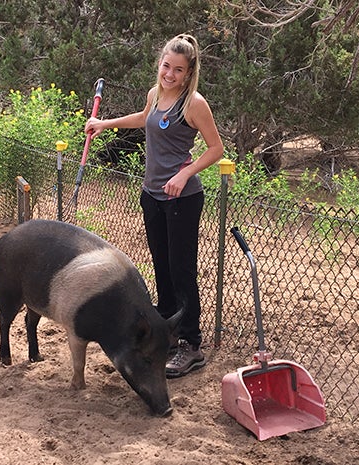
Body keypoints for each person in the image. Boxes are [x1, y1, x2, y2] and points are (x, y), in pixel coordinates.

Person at [85, 33, 224, 378]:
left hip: (182, 198)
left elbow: (215, 148)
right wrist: (105, 124)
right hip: (152, 195)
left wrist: (185, 173)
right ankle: (168, 335)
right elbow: (143, 117)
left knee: (181, 271)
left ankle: (191, 344)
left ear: (189, 72)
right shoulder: (156, 94)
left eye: (178, 70)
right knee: (161, 268)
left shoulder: (194, 104)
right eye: (166, 66)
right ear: (160, 64)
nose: (170, 74)